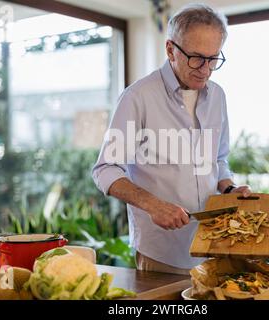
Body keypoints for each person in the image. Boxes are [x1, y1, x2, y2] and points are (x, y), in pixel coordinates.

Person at [92, 4, 251, 275]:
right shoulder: (137, 97)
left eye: (214, 59)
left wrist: (228, 189)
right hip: (162, 252)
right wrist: (153, 205)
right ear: (170, 49)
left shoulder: (218, 96)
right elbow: (105, 169)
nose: (206, 70)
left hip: (213, 243)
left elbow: (219, 159)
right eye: (197, 58)